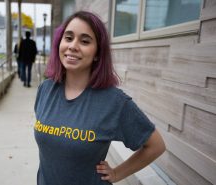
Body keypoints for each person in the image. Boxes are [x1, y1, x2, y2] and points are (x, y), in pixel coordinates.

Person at [33, 11, 166, 185]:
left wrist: (118, 173)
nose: (73, 46)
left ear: (97, 53)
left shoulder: (114, 102)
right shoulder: (45, 89)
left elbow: (156, 146)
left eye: (85, 41)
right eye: (68, 38)